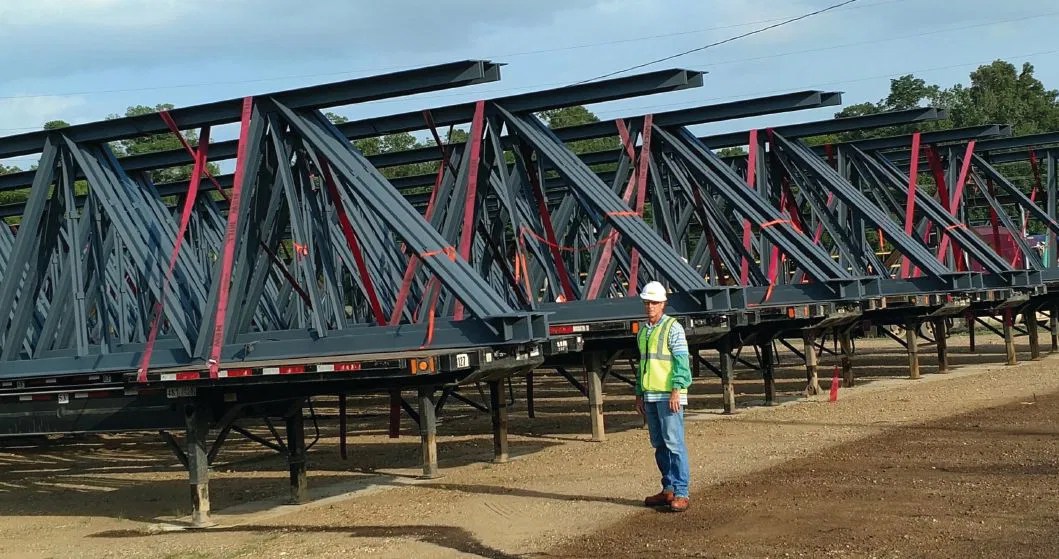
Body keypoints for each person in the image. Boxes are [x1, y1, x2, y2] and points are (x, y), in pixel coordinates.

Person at [635, 280, 692, 512]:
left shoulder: (673, 328)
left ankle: (681, 492)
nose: (650, 306)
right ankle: (668, 488)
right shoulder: (644, 331)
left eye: (654, 303)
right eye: (647, 302)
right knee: (659, 444)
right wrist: (639, 392)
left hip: (669, 395)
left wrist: (676, 390)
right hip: (651, 395)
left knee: (674, 443)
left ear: (663, 304)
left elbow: (681, 361)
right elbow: (642, 365)